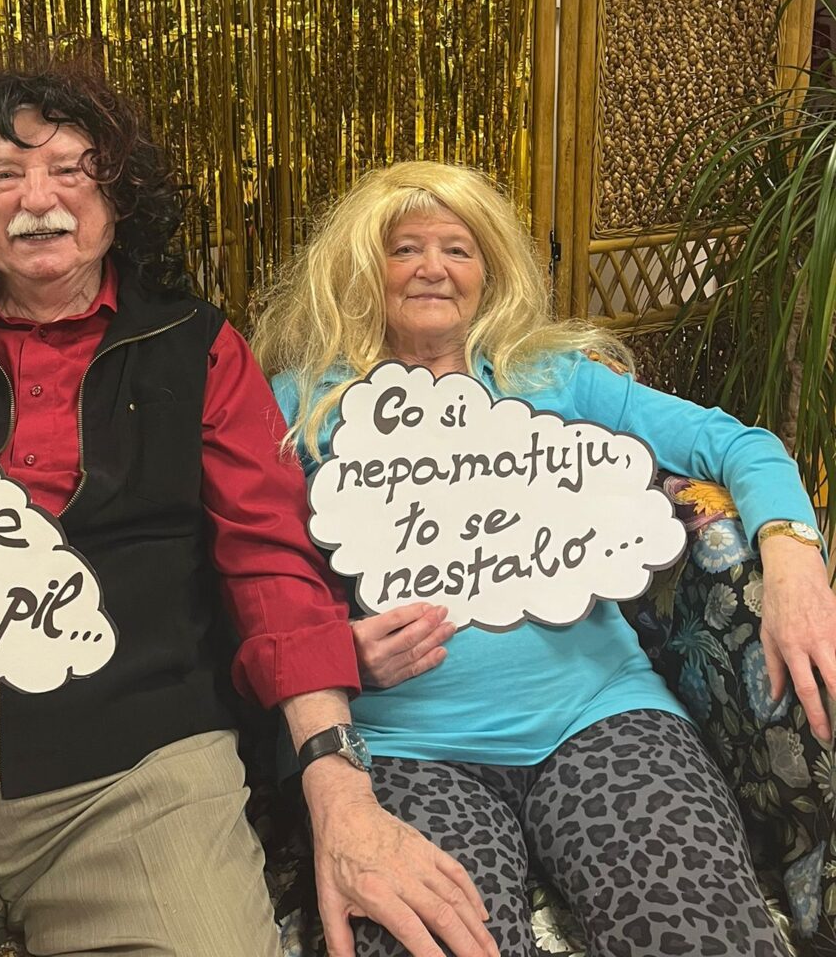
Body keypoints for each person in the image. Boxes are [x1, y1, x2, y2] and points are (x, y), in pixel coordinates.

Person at [0, 69, 497, 957]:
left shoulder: (199, 347)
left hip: (143, 780)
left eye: (70, 170)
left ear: (118, 199)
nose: (37, 199)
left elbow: (272, 565)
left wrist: (341, 789)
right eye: (4, 175)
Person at [252, 160, 836, 957]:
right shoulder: (298, 404)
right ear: (360, 269)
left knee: (704, 936)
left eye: (457, 249)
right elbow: (254, 577)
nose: (432, 268)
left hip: (604, 718)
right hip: (401, 749)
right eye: (404, 249)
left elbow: (740, 445)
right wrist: (334, 653)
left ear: (488, 270)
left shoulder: (553, 380)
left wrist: (794, 560)